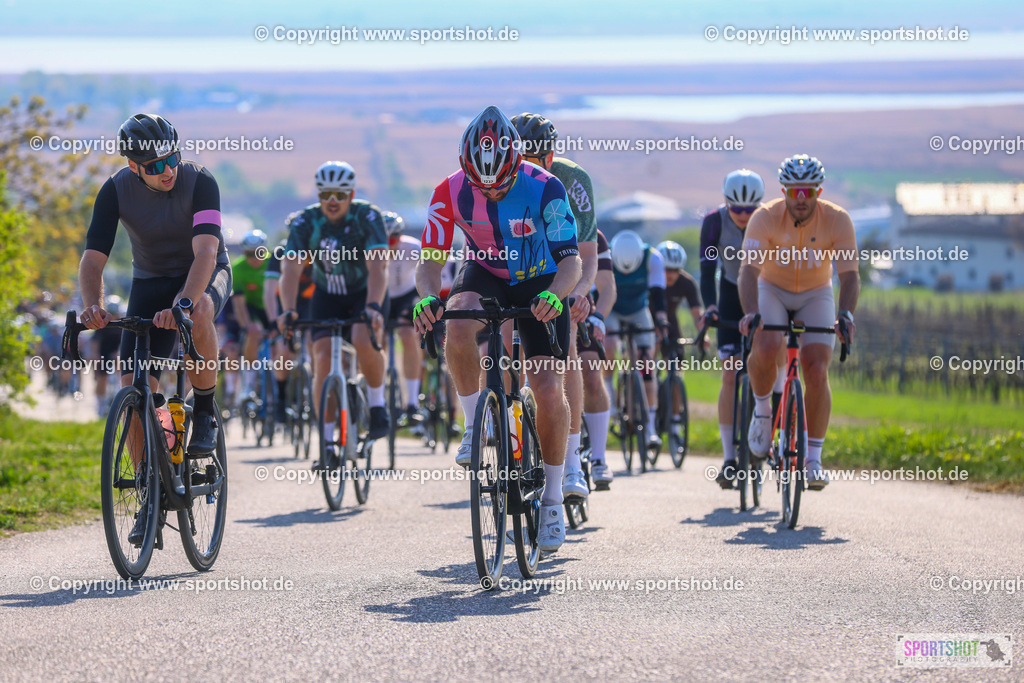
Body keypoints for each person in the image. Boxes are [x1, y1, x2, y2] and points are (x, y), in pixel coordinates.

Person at [413, 105, 581, 553]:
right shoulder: (447, 191)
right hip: (485, 270)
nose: (491, 189)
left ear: (515, 164)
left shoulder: (546, 186)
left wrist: (556, 296)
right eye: (480, 183)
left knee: (547, 388)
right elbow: (429, 262)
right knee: (460, 313)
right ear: (466, 167)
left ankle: (550, 498)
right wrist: (428, 298)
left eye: (501, 183)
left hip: (541, 276)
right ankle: (474, 425)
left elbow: (571, 261)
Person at [79, 113, 231, 545]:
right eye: (153, 166)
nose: (166, 171)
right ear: (133, 167)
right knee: (133, 382)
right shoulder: (114, 190)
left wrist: (181, 304)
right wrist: (92, 305)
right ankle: (149, 487)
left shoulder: (200, 181)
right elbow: (93, 260)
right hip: (149, 282)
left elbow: (206, 252)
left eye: (171, 160)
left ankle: (203, 410)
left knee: (198, 309)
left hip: (203, 273)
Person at [738, 155, 859, 490]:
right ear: (784, 191)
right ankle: (763, 411)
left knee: (816, 367)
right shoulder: (764, 218)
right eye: (794, 192)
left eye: (808, 191)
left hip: (815, 293)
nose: (801, 199)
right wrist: (751, 312)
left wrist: (845, 313)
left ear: (818, 191)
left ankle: (814, 460)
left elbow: (849, 277)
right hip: (771, 289)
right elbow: (748, 272)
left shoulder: (838, 220)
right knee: (766, 344)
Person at [276, 161, 390, 469]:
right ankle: (326, 444)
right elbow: (290, 269)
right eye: (326, 193)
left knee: (362, 337)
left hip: (365, 293)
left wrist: (374, 306)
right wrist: (288, 310)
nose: (333, 200)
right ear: (319, 194)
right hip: (327, 295)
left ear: (351, 194)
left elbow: (379, 266)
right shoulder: (306, 221)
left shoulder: (367, 216)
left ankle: (378, 405)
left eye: (340, 194)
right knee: (323, 358)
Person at [511, 112, 597, 504]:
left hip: (561, 266)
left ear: (552, 153)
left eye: (538, 156)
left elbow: (587, 252)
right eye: (523, 155)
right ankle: (495, 425)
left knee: (569, 345)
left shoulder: (571, 179)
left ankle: (574, 460)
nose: (530, 165)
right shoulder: (499, 177)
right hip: (516, 267)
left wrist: (578, 293)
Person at [698, 169, 766, 488]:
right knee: (730, 372)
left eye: (750, 210)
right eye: (736, 209)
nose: (742, 215)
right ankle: (728, 458)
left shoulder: (769, 220)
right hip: (728, 294)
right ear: (725, 203)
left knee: (768, 368)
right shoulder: (714, 222)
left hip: (765, 295)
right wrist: (709, 306)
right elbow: (706, 268)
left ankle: (768, 435)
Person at [607, 229, 668, 452]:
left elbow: (658, 294)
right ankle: (611, 400)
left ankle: (650, 428)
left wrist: (661, 320)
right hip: (611, 309)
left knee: (646, 364)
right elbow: (597, 294)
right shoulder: (605, 256)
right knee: (609, 346)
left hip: (638, 309)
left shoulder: (653, 258)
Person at [383, 211, 425, 425]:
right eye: (384, 239)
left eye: (392, 239)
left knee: (408, 334)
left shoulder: (413, 247)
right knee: (373, 338)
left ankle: (411, 402)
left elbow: (430, 271)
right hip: (382, 296)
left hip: (407, 295)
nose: (389, 244)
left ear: (399, 237)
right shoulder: (369, 250)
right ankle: (378, 397)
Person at [582, 229, 617, 488]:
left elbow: (607, 287)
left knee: (592, 375)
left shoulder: (593, 234)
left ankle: (599, 459)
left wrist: (599, 317)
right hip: (534, 308)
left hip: (578, 309)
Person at [231, 230, 271, 399]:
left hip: (272, 305)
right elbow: (239, 303)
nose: (254, 258)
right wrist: (246, 326)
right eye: (249, 254)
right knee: (253, 333)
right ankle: (248, 384)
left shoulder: (273, 262)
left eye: (259, 252)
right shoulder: (238, 268)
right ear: (243, 253)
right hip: (252, 307)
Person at [654, 240, 703, 345]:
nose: (671, 274)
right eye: (667, 269)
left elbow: (696, 312)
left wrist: (703, 334)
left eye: (676, 270)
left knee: (678, 357)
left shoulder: (687, 283)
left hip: (670, 319)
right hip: (649, 319)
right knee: (648, 356)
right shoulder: (651, 280)